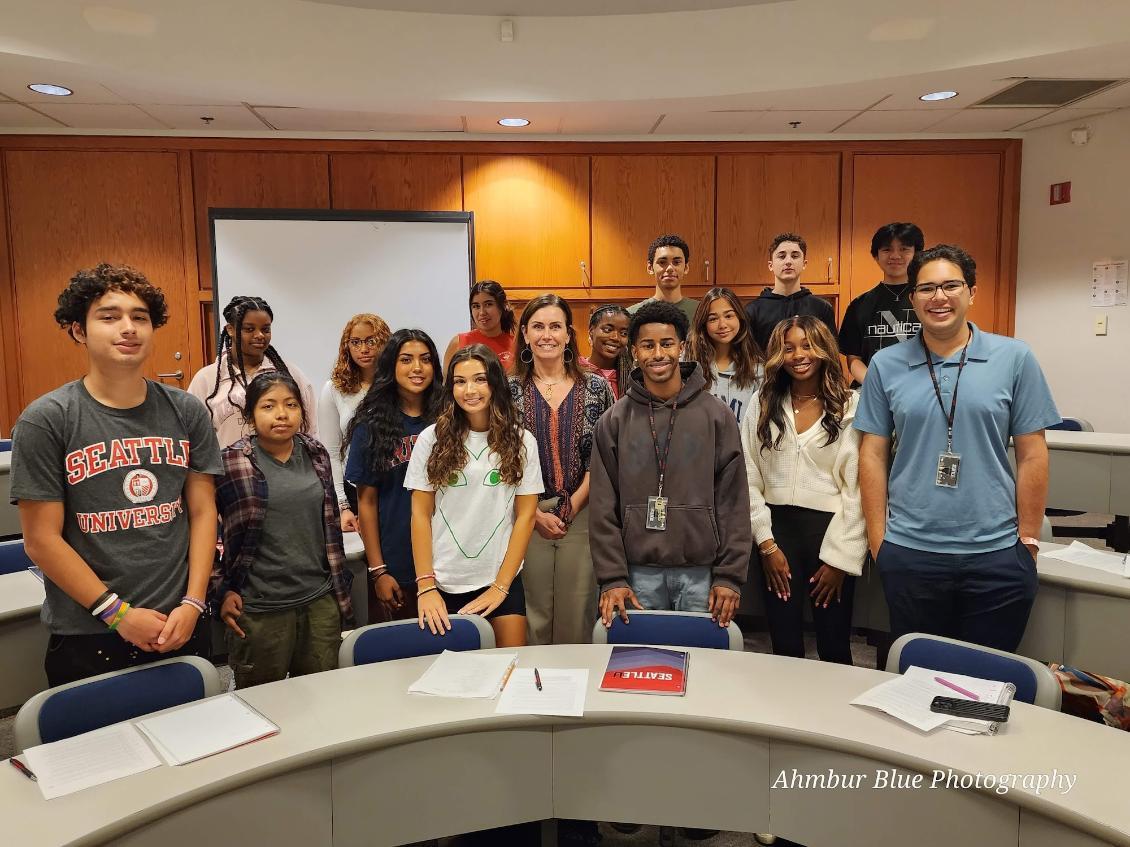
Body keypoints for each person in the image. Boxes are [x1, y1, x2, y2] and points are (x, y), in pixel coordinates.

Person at [10, 263, 222, 686]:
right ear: (78, 331)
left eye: (139, 317)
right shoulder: (46, 420)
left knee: (195, 745)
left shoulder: (187, 411)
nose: (128, 328)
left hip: (180, 619)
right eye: (109, 316)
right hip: (90, 631)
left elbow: (202, 513)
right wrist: (117, 614)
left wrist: (194, 602)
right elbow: (41, 541)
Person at [855, 244, 1060, 652]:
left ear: (972, 292)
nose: (939, 297)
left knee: (987, 681)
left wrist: (1030, 541)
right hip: (911, 552)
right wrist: (881, 543)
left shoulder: (1014, 358)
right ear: (912, 298)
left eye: (951, 285)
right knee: (918, 679)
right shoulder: (885, 364)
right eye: (926, 288)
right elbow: (872, 455)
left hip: (997, 553)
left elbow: (1032, 453)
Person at [590, 301, 751, 628]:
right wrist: (612, 578)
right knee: (640, 667)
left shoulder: (716, 416)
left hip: (702, 574)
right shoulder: (614, 420)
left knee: (703, 668)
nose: (658, 354)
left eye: (666, 344)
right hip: (635, 575)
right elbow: (603, 506)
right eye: (648, 346)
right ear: (634, 351)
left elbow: (733, 500)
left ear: (682, 346)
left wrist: (729, 576)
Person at [215, 372, 354, 689]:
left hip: (318, 600)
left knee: (322, 696)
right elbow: (203, 530)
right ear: (250, 414)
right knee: (264, 704)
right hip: (260, 608)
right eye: (268, 406)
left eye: (291, 405)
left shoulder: (316, 453)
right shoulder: (232, 462)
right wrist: (218, 589)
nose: (281, 414)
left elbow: (328, 526)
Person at [741, 316, 864, 664]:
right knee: (783, 644)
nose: (798, 355)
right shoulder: (762, 403)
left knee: (835, 642)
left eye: (807, 345)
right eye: (789, 347)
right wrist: (765, 543)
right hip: (776, 534)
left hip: (830, 533)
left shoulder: (850, 406)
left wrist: (840, 559)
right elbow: (748, 475)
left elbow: (857, 489)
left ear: (824, 349)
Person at [406, 344, 542, 648]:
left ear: (495, 383)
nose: (470, 390)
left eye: (480, 379)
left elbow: (526, 516)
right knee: (452, 680)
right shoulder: (431, 439)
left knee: (510, 671)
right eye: (460, 381)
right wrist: (426, 585)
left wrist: (501, 586)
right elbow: (419, 514)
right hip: (442, 582)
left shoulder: (522, 441)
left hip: (500, 581)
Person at [509, 294, 615, 646]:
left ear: (569, 335)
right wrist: (534, 514)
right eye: (538, 326)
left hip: (582, 515)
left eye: (555, 326)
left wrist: (575, 504)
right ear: (525, 334)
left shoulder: (597, 387)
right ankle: (533, 693)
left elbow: (603, 458)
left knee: (577, 613)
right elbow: (499, 460)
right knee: (533, 615)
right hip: (524, 515)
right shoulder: (506, 392)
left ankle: (576, 693)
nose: (547, 335)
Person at [345, 329, 444, 624]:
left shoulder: (450, 419)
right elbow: (366, 503)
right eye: (406, 360)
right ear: (391, 366)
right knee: (401, 659)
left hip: (447, 559)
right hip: (397, 561)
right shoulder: (370, 425)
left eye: (425, 360)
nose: (417, 368)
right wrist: (378, 570)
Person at [187, 295, 318, 447]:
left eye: (265, 329)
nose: (259, 335)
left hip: (283, 468)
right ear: (230, 330)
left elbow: (311, 430)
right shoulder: (207, 379)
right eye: (249, 329)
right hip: (228, 468)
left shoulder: (290, 374)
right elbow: (192, 435)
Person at [318, 313, 391, 532]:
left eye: (371, 341)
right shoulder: (334, 389)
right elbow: (332, 453)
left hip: (396, 488)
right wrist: (343, 506)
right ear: (346, 347)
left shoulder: (397, 385)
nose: (364, 349)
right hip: (355, 490)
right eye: (356, 342)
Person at [839, 222, 925, 385]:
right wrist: (876, 386)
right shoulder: (859, 305)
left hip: (920, 390)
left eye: (904, 249)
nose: (895, 256)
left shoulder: (929, 300)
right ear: (876, 256)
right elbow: (853, 358)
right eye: (887, 249)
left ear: (917, 254)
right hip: (871, 389)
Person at [745, 233, 837, 351]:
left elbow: (831, 354)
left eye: (795, 256)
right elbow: (748, 357)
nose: (788, 261)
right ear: (770, 265)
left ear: (804, 264)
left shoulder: (822, 308)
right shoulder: (753, 310)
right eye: (782, 256)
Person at [687, 286, 763, 424]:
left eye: (729, 316)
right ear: (703, 323)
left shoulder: (757, 369)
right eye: (713, 319)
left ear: (740, 318)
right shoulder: (688, 367)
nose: (722, 324)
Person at [443, 280, 516, 372]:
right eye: (476, 306)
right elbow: (447, 384)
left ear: (504, 305)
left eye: (488, 304)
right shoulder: (458, 343)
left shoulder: (517, 345)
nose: (482, 312)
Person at [627, 234, 699, 324]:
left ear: (686, 268)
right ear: (650, 268)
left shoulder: (701, 313)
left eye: (676, 262)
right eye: (662, 262)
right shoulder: (631, 315)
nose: (669, 268)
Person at [583, 304, 631, 399]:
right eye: (608, 330)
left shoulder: (632, 378)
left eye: (624, 333)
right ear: (591, 331)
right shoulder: (575, 371)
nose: (616, 338)